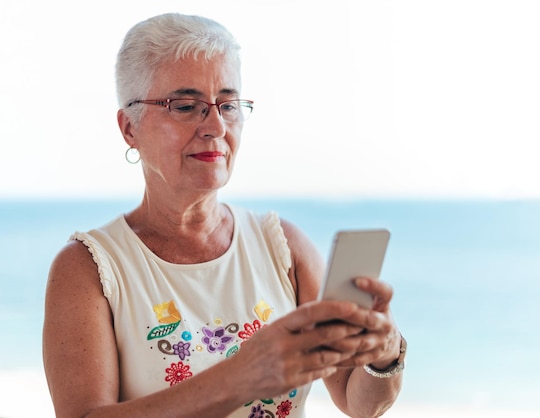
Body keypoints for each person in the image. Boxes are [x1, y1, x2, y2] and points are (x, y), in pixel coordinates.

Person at [42, 12, 405, 418]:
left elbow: (357, 402)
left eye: (228, 104)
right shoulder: (88, 268)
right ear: (129, 127)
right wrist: (243, 375)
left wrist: (385, 354)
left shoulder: (282, 245)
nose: (215, 125)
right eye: (185, 105)